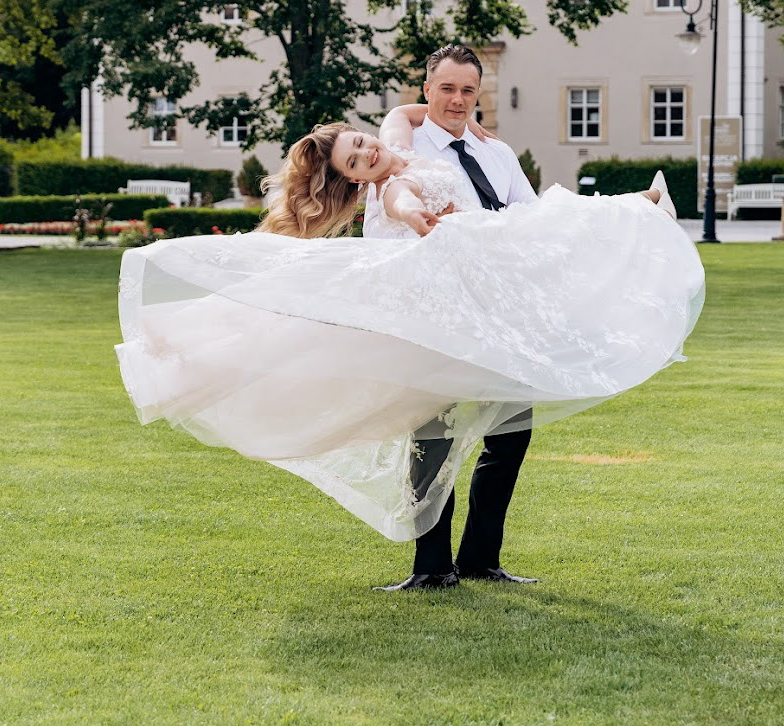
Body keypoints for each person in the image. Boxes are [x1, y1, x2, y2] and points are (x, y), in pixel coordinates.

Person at [115, 48, 702, 592]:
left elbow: (528, 218)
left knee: (510, 433)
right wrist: (418, 213)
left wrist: (488, 163)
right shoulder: (401, 154)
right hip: (431, 318)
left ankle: (481, 558)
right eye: (446, 89)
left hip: (497, 312)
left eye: (467, 90)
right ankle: (431, 567)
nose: (457, 100)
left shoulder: (493, 152)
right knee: (433, 437)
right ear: (427, 88)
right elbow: (400, 187)